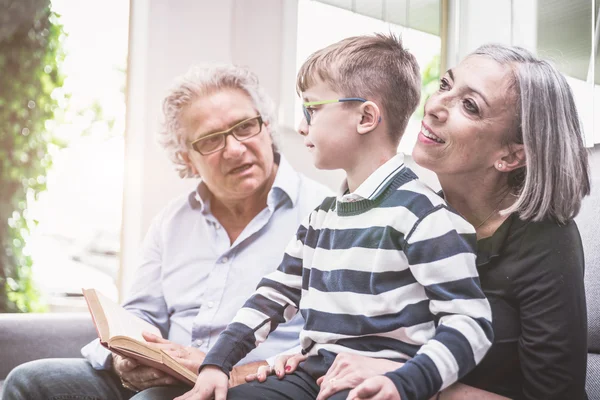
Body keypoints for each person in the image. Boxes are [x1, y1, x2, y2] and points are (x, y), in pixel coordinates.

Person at [260, 43, 591, 400]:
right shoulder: (413, 213)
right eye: (446, 86)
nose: (434, 106)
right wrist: (311, 361)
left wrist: (407, 378)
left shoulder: (546, 242)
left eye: (469, 106)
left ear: (510, 155)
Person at [176, 33, 494, 400]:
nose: (301, 125)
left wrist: (405, 382)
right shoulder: (321, 218)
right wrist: (217, 365)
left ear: (365, 117)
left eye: (312, 108)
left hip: (384, 382)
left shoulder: (423, 216)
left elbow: (470, 324)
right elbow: (274, 295)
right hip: (314, 372)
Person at [1, 64, 332, 400]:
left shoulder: (325, 214)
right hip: (166, 374)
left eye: (245, 127)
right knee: (29, 382)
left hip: (254, 382)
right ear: (186, 158)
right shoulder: (172, 221)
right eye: (210, 140)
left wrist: (229, 369)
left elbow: (336, 343)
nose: (234, 148)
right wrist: (124, 359)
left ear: (267, 128)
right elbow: (142, 313)